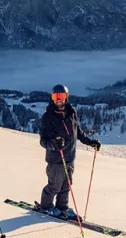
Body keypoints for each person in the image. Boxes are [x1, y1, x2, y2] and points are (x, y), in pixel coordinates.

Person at [36, 84, 101, 218]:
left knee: (66, 185)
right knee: (54, 186)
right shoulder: (48, 117)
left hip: (70, 157)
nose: (58, 100)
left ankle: (62, 207)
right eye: (56, 97)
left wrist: (90, 142)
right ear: (52, 98)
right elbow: (43, 140)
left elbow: (78, 132)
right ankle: (46, 206)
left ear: (66, 98)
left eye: (62, 96)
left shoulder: (71, 113)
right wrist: (54, 144)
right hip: (56, 159)